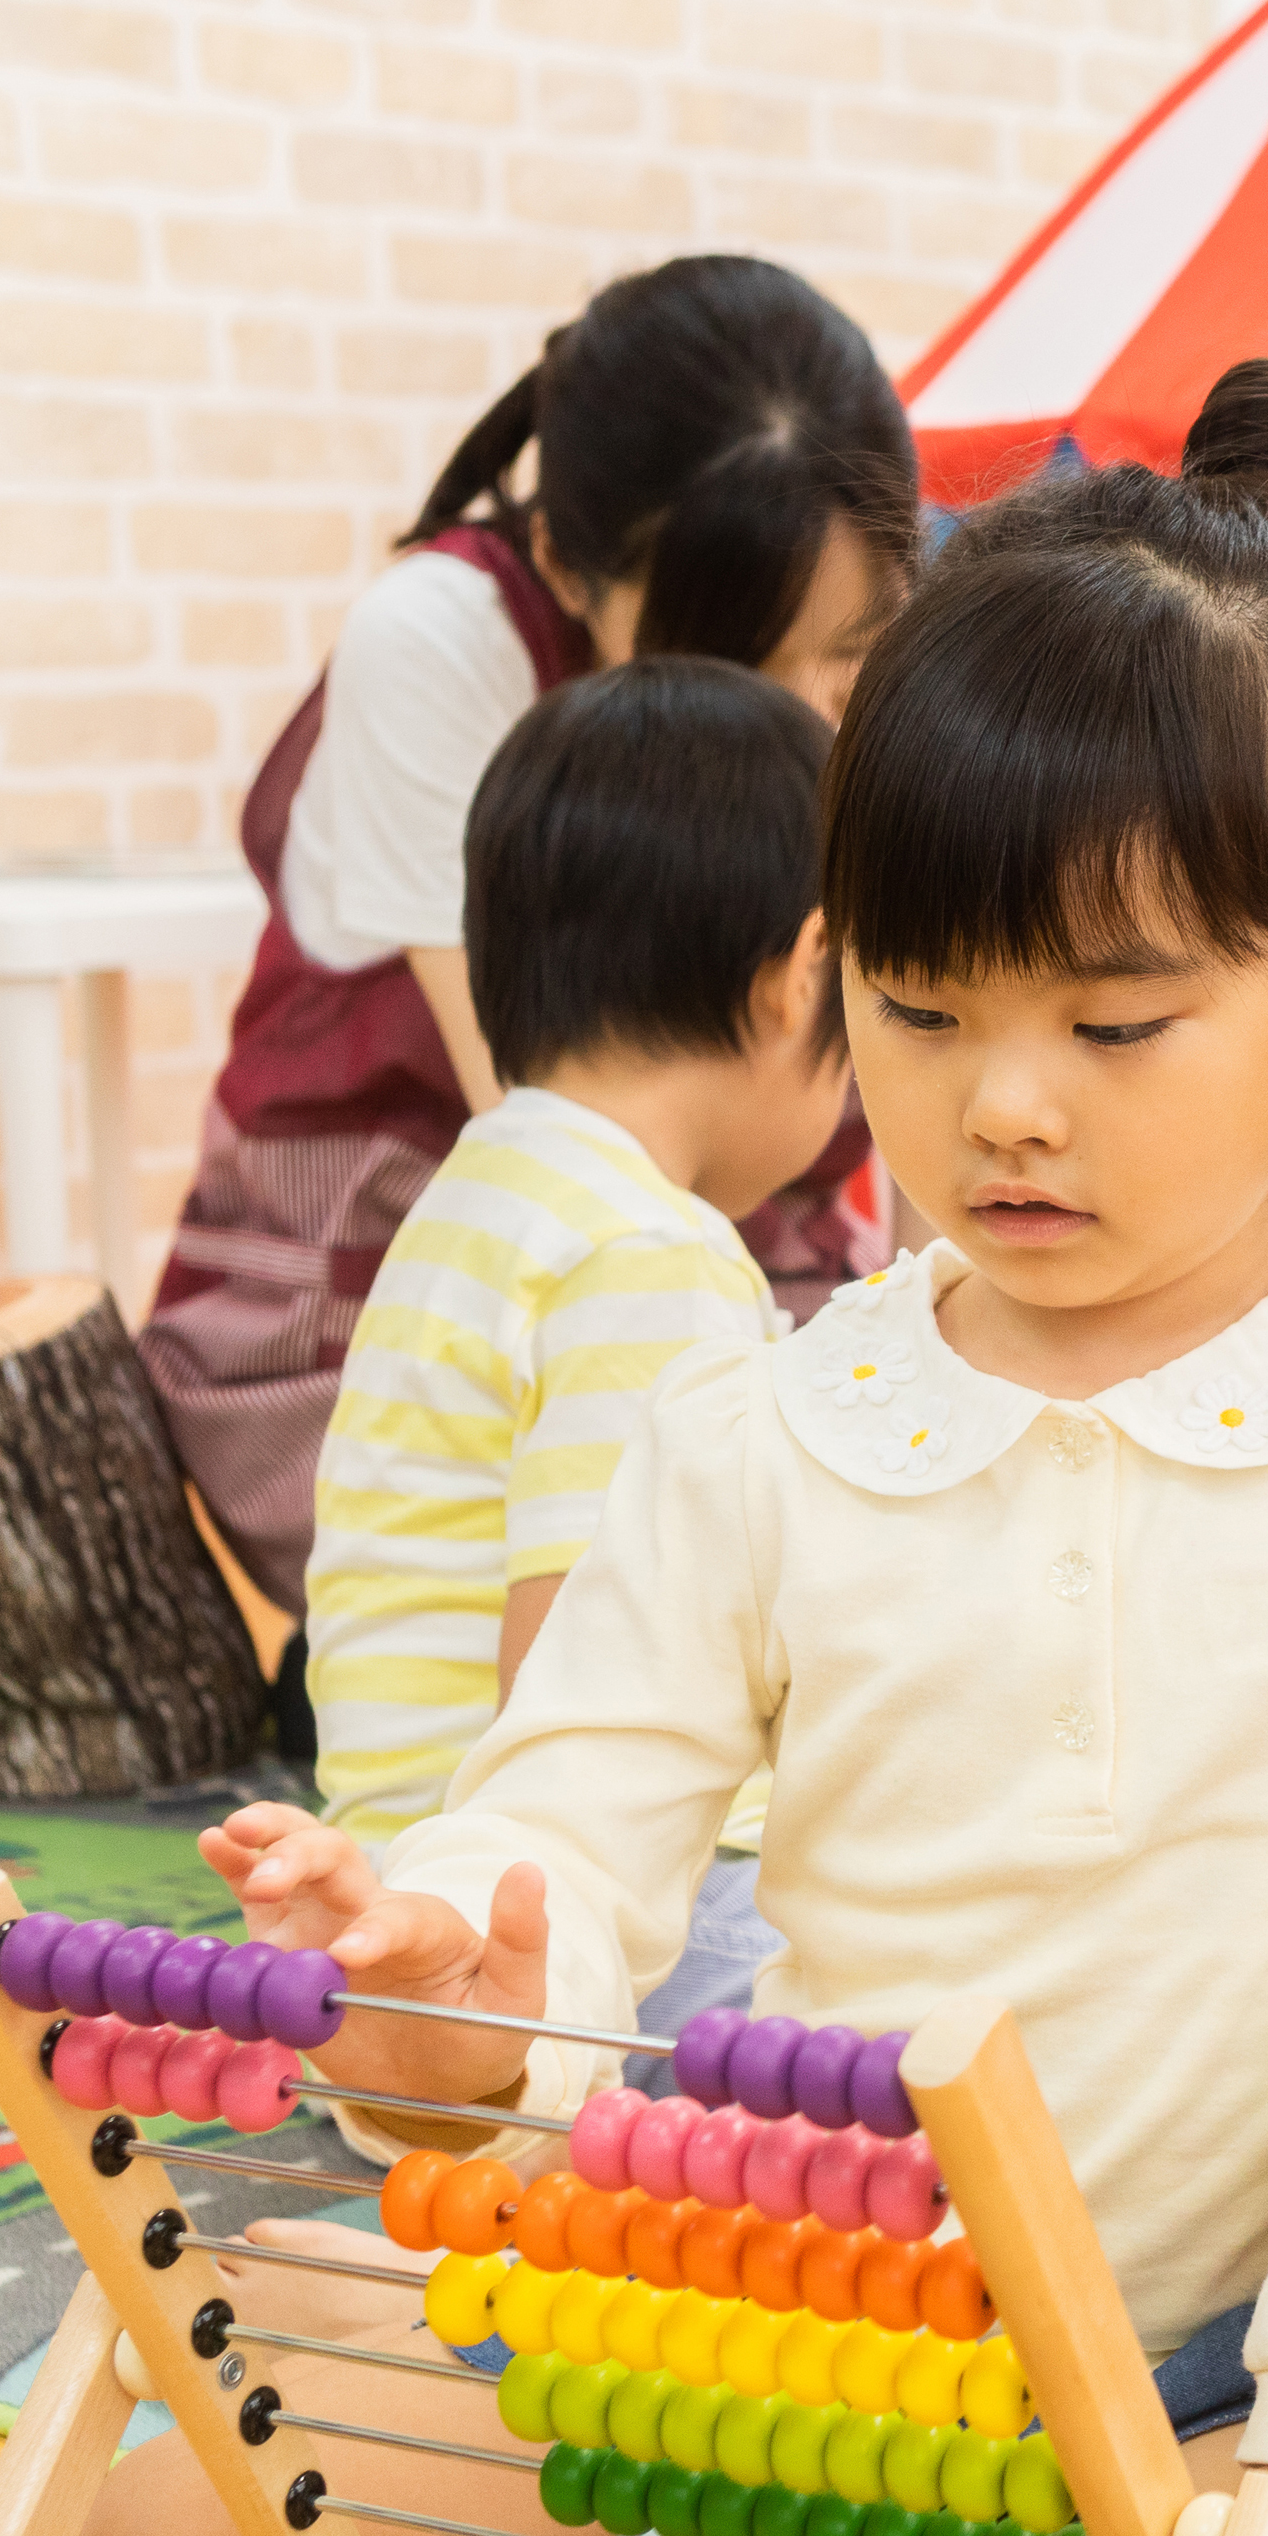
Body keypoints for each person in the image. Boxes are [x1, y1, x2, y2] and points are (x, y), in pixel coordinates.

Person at [67, 361, 1268, 2536]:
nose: (1005, 1105)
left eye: (1113, 1024)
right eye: (919, 1005)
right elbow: (577, 1815)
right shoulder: (761, 1424)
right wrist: (458, 1970)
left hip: (1236, 2361)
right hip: (807, 2348)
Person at [143, 254, 920, 1688]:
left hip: (728, 1251)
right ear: (569, 569)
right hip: (403, 1318)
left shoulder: (886, 672)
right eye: (737, 664)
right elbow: (559, 1140)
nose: (806, 719)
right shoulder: (441, 638)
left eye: (851, 654)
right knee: (723, 1590)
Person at [299, 659, 844, 1872]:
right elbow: (579, 1677)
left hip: (405, 1858)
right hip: (569, 1894)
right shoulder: (646, 1252)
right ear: (801, 977)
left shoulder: (482, 1197)